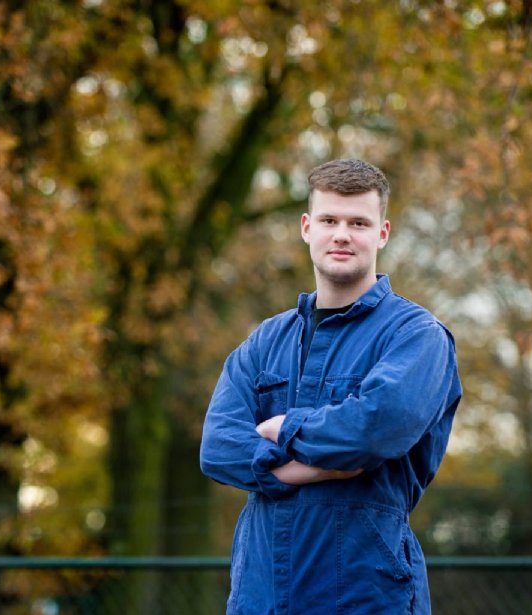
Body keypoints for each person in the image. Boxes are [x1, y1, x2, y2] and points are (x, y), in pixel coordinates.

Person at [199, 158, 463, 614]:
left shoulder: (416, 336)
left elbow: (375, 429)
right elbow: (217, 446)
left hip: (364, 594)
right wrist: (313, 468)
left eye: (358, 223)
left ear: (382, 233)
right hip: (261, 595)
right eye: (329, 220)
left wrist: (283, 428)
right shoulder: (266, 341)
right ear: (307, 228)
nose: (342, 234)